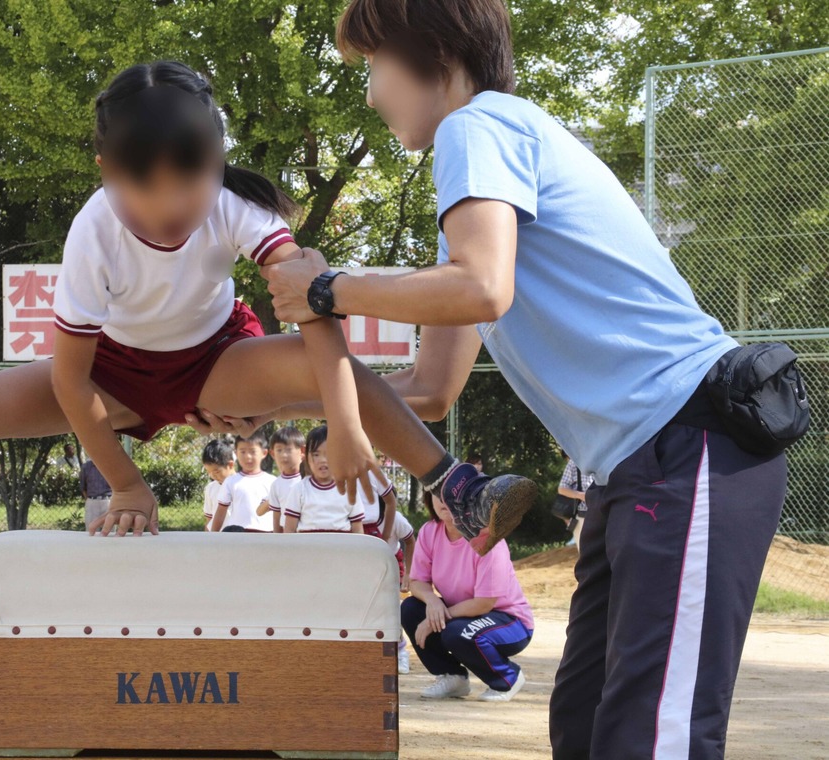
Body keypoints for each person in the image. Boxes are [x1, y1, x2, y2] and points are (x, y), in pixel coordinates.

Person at [0, 59, 536, 577]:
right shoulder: (95, 228)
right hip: (109, 377)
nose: (172, 210)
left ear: (218, 163)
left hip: (215, 360)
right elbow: (67, 374)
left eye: (191, 187)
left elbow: (310, 309)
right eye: (146, 193)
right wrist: (123, 481)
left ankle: (454, 488)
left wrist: (346, 430)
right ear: (107, 172)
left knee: (337, 372)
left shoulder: (235, 208)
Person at [262, 2, 791, 755]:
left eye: (375, 66)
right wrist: (255, 405)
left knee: (652, 738)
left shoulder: (478, 127)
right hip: (636, 470)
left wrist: (329, 289)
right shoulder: (482, 197)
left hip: (687, 443)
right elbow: (427, 389)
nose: (372, 92)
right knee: (585, 726)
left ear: (433, 56)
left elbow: (480, 288)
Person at [403, 490, 534, 702]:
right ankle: (453, 677)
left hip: (509, 621)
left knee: (456, 632)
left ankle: (508, 677)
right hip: (463, 615)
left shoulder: (487, 538)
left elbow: (484, 603)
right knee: (411, 609)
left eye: (451, 494)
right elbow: (417, 582)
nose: (444, 501)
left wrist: (436, 618)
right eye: (437, 494)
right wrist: (433, 601)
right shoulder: (430, 531)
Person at [282, 425, 365, 534]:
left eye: (330, 454)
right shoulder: (299, 489)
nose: (323, 460)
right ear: (305, 453)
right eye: (316, 454)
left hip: (341, 548)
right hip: (308, 548)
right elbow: (289, 529)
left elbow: (358, 529)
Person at [210, 432, 275, 533]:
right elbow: (220, 512)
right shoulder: (231, 481)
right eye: (243, 452)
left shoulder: (272, 481)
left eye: (253, 452)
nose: (248, 456)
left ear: (264, 453)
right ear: (236, 453)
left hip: (266, 536)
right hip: (237, 536)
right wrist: (213, 536)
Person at [257, 425, 305, 533]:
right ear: (272, 453)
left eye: (289, 450)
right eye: (279, 450)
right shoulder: (277, 485)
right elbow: (276, 516)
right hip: (287, 535)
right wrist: (277, 540)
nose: (284, 455)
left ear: (302, 451)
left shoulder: (307, 479)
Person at [388, 507, 417, 675]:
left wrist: (408, 572)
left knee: (392, 609)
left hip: (390, 562)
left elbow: (410, 540)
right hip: (364, 564)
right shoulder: (353, 511)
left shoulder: (395, 518)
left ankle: (400, 652)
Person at [556, 455, 591, 548]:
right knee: (586, 554)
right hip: (582, 516)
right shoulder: (574, 462)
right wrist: (581, 495)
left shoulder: (606, 458)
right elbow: (562, 489)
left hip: (606, 514)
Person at [200, 438, 235, 531]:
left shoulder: (241, 485)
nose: (212, 475)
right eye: (209, 472)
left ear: (230, 465)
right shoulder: (210, 488)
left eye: (216, 471)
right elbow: (209, 518)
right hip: (217, 539)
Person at [79, 455, 112, 529]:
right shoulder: (86, 467)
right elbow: (83, 487)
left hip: (108, 501)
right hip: (92, 501)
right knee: (91, 530)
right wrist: (89, 500)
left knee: (109, 532)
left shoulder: (110, 466)